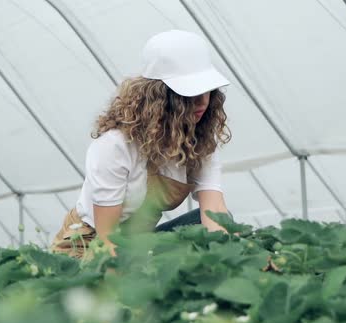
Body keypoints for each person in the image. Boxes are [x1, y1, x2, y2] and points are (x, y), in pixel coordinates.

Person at [50, 30, 232, 258]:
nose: (202, 101)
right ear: (159, 96)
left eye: (206, 89)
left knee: (209, 223)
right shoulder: (116, 145)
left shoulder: (201, 140)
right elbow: (108, 238)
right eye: (189, 92)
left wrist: (230, 260)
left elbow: (214, 210)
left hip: (139, 243)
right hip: (91, 245)